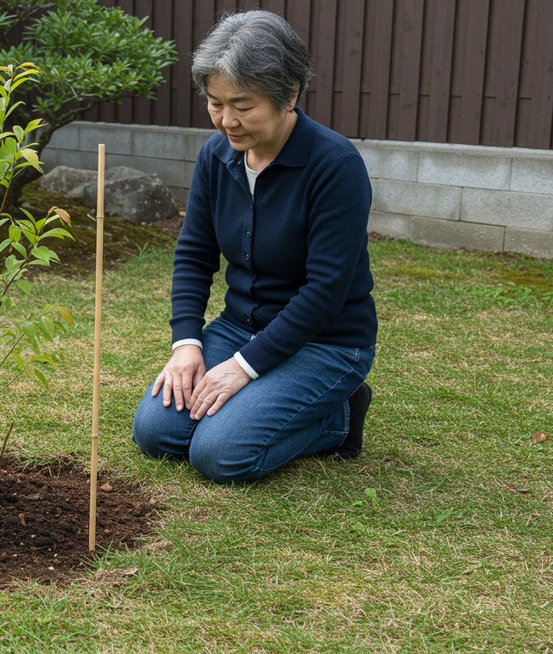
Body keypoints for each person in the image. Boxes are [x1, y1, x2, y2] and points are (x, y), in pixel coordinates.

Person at [131, 10, 377, 483]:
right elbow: (194, 254)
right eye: (215, 102)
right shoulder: (215, 156)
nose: (227, 121)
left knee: (219, 455)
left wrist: (243, 368)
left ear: (289, 94)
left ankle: (338, 415)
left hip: (326, 342)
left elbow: (326, 290)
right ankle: (276, 401)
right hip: (239, 326)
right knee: (156, 434)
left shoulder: (335, 165)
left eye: (243, 104)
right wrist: (186, 343)